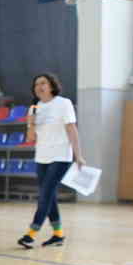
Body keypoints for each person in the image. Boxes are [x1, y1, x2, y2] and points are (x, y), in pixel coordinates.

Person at [17, 72, 86, 249]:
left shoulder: (64, 103)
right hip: (42, 157)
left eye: (43, 83)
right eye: (36, 84)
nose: (39, 87)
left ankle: (31, 234)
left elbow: (72, 129)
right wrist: (31, 123)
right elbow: (31, 138)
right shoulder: (34, 108)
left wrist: (78, 155)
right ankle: (58, 234)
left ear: (52, 86)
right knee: (49, 196)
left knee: (45, 194)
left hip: (61, 156)